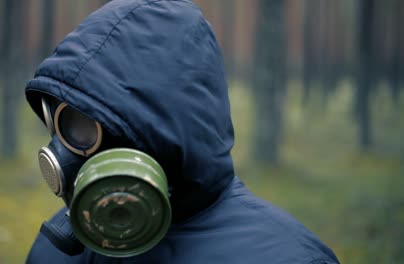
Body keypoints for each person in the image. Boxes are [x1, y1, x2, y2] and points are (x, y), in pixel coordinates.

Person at [24, 0, 340, 263]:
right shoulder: (57, 250)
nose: (68, 151)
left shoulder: (289, 259)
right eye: (66, 126)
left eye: (86, 128)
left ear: (166, 129)